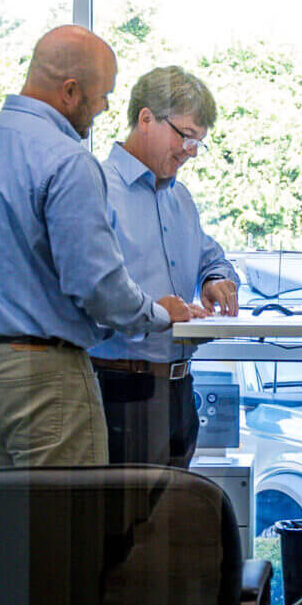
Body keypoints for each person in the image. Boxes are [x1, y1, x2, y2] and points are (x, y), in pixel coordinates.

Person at [0, 26, 200, 474]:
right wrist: (158, 315)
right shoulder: (67, 160)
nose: (107, 107)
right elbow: (96, 284)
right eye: (101, 96)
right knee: (65, 532)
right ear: (70, 92)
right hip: (42, 378)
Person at [89, 66, 240, 469]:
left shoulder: (181, 200)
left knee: (171, 526)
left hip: (179, 390)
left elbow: (214, 257)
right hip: (120, 389)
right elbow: (89, 292)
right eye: (185, 135)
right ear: (145, 118)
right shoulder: (95, 188)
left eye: (198, 142)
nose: (190, 151)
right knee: (119, 529)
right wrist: (156, 311)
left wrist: (216, 279)